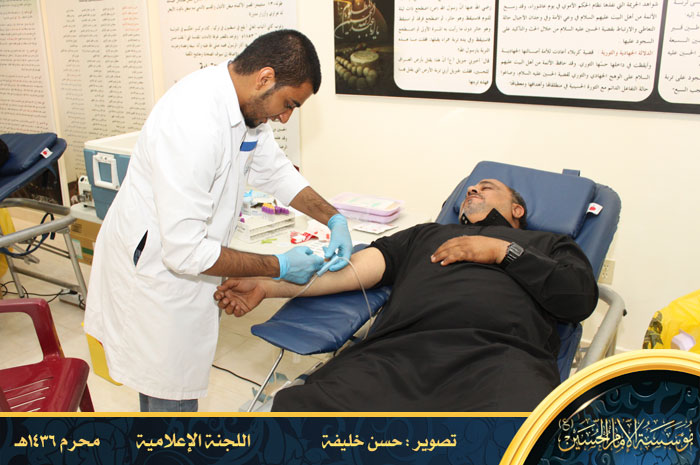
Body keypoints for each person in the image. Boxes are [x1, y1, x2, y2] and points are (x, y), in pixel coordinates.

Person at [84, 29, 353, 412]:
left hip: (185, 262)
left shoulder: (244, 107)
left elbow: (276, 171)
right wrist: (279, 266)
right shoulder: (193, 122)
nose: (285, 117)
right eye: (289, 103)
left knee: (174, 392)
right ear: (265, 78)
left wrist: (334, 218)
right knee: (168, 402)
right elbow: (185, 252)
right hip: (153, 275)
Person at [215, 178, 599, 411]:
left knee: (510, 441)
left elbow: (578, 299)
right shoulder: (426, 234)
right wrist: (268, 285)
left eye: (487, 187)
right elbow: (350, 271)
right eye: (470, 187)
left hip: (500, 357)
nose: (473, 189)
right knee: (303, 415)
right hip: (397, 353)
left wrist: (503, 252)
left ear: (517, 209)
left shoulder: (547, 243)